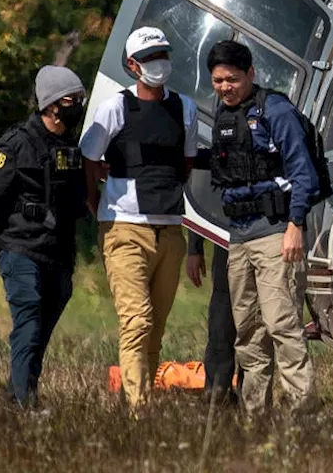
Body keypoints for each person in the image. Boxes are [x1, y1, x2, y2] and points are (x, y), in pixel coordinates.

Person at [0, 65, 89, 409]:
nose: (78, 107)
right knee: (28, 318)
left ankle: (19, 391)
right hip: (20, 249)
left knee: (41, 328)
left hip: (58, 253)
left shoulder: (71, 147)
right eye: (73, 100)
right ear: (52, 105)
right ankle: (24, 402)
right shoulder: (15, 145)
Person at [80, 26, 197, 412]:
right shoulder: (114, 108)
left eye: (162, 54)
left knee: (155, 328)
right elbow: (89, 158)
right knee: (137, 321)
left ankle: (144, 399)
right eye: (148, 59)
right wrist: (96, 202)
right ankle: (138, 408)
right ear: (132, 66)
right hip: (125, 228)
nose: (158, 64)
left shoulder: (185, 108)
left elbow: (188, 162)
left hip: (170, 229)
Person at [206, 40, 319, 418]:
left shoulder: (276, 110)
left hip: (275, 233)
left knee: (283, 325)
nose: (225, 87)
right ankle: (255, 415)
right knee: (249, 333)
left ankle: (300, 413)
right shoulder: (222, 115)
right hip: (237, 237)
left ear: (251, 75)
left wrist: (295, 226)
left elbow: (303, 173)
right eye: (219, 80)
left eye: (233, 79)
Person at [186, 231, 244, 405]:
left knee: (254, 336)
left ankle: (251, 407)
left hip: (263, 236)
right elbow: (205, 205)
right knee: (221, 327)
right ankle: (216, 402)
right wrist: (195, 249)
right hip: (225, 242)